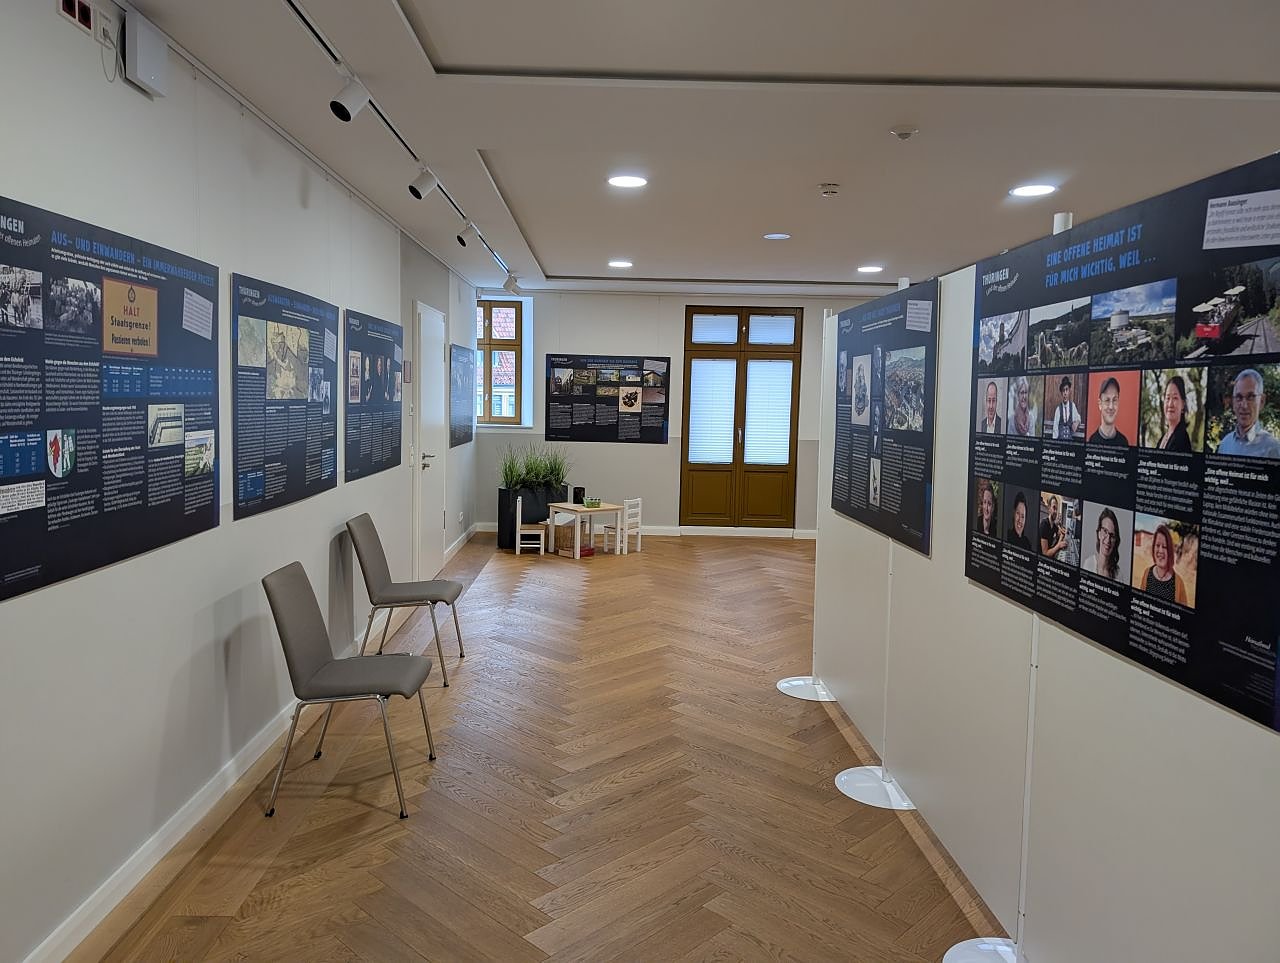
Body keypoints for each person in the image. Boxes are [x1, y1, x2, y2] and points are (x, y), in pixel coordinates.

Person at [1216, 368, 1280, 458]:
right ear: (1233, 402)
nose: (1244, 405)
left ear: (1261, 401)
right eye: (1239, 397)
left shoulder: (1272, 448)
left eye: (1251, 397)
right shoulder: (1225, 444)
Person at [1140, 523, 1188, 605]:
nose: (1160, 551)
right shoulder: (1147, 573)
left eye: (1164, 547)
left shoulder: (1179, 583)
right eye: (1157, 545)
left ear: (1170, 551)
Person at [1088, 376, 1129, 446]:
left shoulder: (1124, 442)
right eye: (1107, 400)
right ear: (1100, 404)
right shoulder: (1092, 441)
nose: (1111, 407)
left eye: (1114, 400)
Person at [1156, 375, 1192, 452]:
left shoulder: (1182, 439)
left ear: (1183, 404)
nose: (1170, 404)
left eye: (1175, 398)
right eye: (1168, 398)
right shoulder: (1163, 438)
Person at [1083, 507, 1121, 580]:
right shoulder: (1088, 564)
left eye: (1112, 535)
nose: (1108, 540)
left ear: (1115, 541)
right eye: (1105, 531)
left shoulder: (1118, 574)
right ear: (1099, 533)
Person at [1050, 376, 1081, 441]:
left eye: (1067, 390)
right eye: (1063, 390)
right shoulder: (1058, 409)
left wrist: (1077, 422)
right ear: (1061, 393)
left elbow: (1078, 417)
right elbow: (1055, 429)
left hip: (1069, 442)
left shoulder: (1072, 406)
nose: (1065, 393)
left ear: (1069, 391)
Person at [1038, 495, 1068, 559]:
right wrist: (1059, 546)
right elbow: (1045, 553)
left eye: (1057, 509)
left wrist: (1062, 534)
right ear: (1049, 508)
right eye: (1054, 508)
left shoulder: (1054, 526)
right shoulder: (1044, 524)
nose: (1056, 512)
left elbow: (1059, 534)